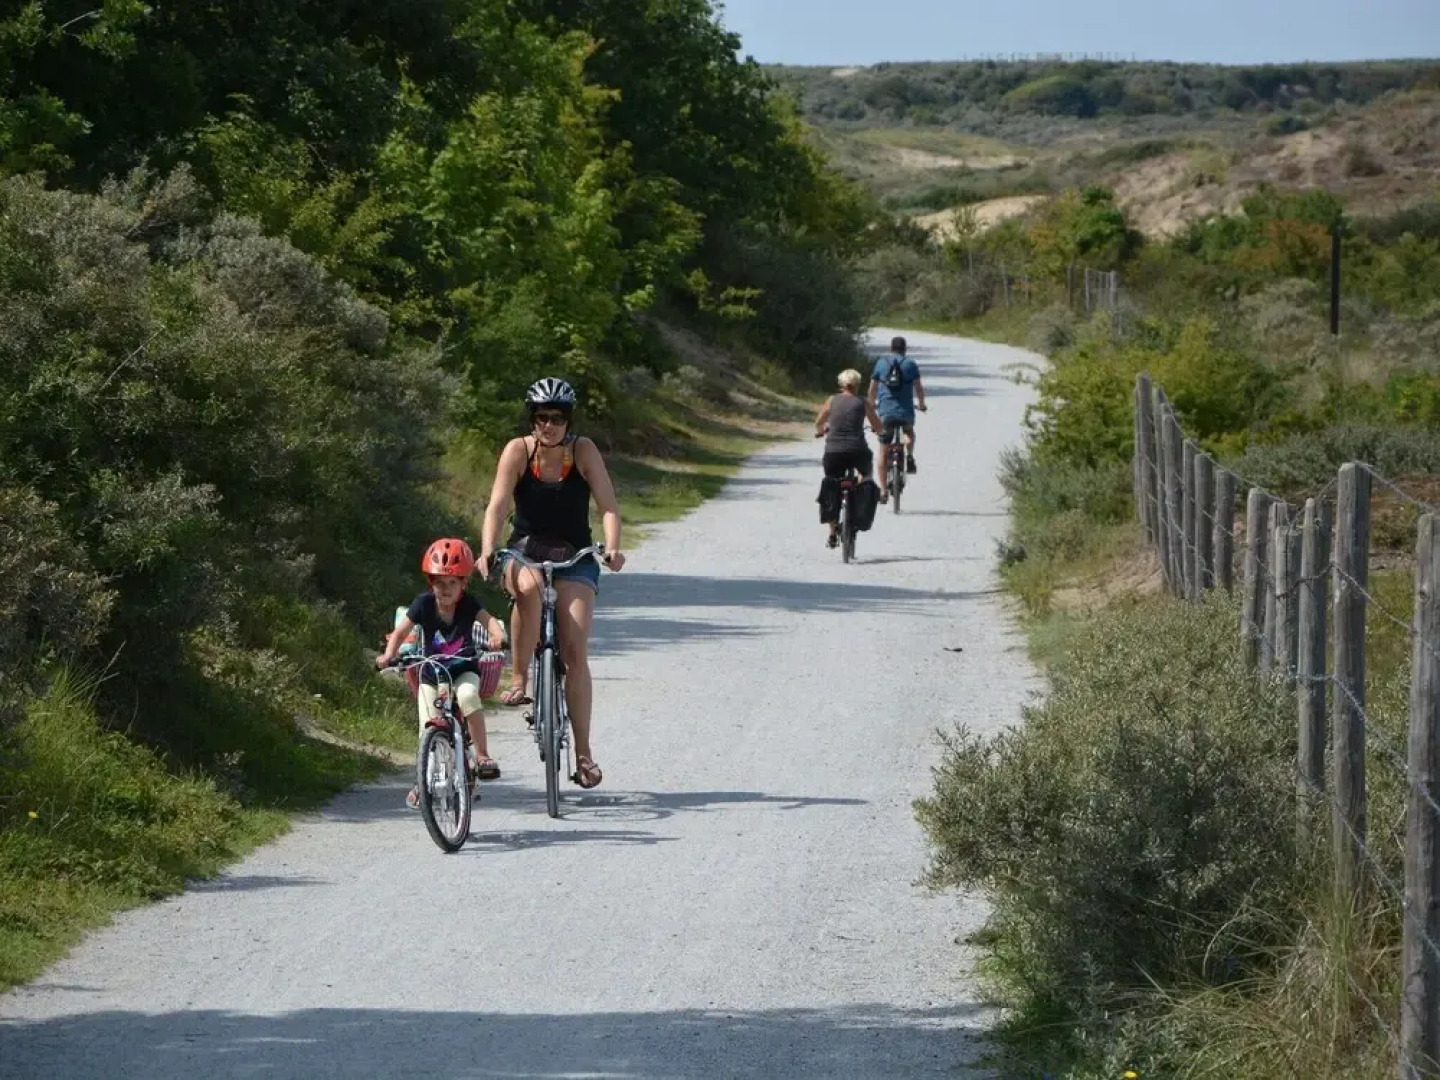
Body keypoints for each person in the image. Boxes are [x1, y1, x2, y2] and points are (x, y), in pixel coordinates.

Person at [480, 377, 625, 791]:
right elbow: (497, 505)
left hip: (575, 555)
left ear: (568, 420)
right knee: (526, 590)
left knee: (576, 650)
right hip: (525, 550)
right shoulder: (518, 451)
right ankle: (520, 679)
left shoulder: (583, 451)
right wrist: (488, 548)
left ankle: (583, 755)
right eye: (541, 417)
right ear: (533, 420)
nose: (549, 425)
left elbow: (609, 507)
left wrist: (612, 549)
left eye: (557, 418)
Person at [376, 538, 508, 809]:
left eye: (452, 583)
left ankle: (482, 756)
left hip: (463, 669)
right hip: (431, 674)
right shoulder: (423, 603)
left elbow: (491, 622)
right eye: (439, 583)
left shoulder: (469, 604)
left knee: (469, 696)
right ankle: (423, 780)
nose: (445, 589)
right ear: (430, 583)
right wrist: (389, 654)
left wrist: (498, 636)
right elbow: (401, 632)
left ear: (463, 584)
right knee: (427, 727)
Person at [814, 368, 884, 548]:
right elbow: (877, 424)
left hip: (834, 453)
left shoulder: (832, 400)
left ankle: (831, 532)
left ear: (841, 384)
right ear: (858, 385)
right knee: (865, 475)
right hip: (857, 451)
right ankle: (859, 501)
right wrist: (879, 431)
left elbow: (819, 422)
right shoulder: (863, 402)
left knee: (831, 484)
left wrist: (821, 431)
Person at [868, 335, 927, 475]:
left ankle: (884, 489)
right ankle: (909, 455)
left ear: (891, 348)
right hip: (906, 412)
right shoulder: (911, 364)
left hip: (886, 412)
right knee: (909, 432)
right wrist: (922, 404)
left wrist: (871, 405)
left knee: (883, 448)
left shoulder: (881, 363)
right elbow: (918, 387)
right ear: (905, 349)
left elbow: (873, 388)